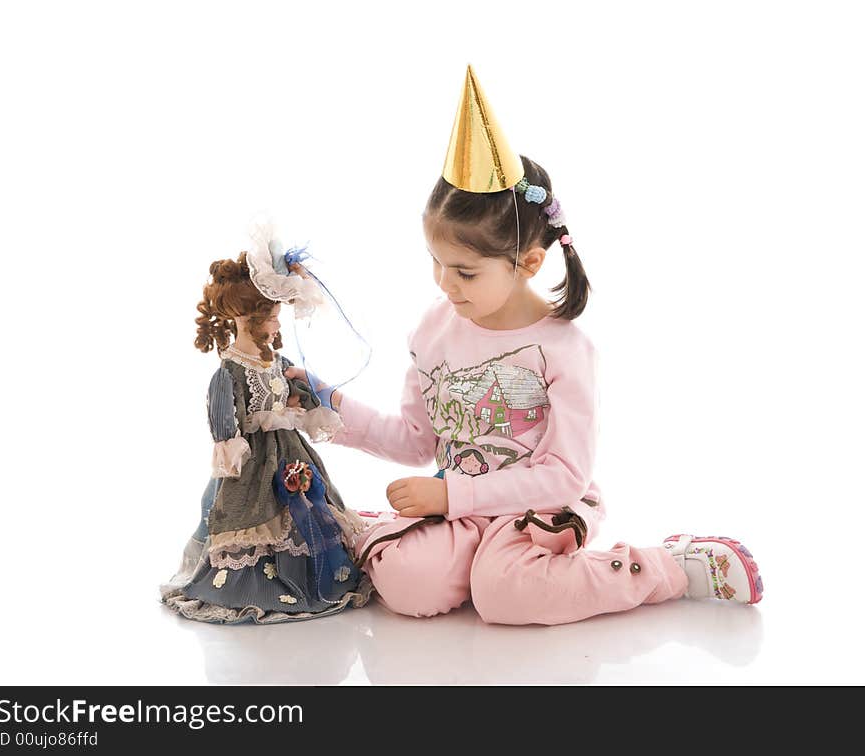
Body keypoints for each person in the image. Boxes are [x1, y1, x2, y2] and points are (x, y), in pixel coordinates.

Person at [287, 66, 763, 625]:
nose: (444, 284)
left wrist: (449, 500)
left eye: (464, 272)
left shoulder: (563, 350)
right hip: (464, 502)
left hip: (542, 503)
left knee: (503, 594)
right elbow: (418, 440)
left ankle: (668, 567)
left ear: (528, 263)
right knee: (407, 587)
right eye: (435, 263)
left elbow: (566, 474)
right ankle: (451, 558)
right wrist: (327, 406)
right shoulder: (434, 330)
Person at [160, 221, 372, 624]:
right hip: (256, 459)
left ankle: (318, 574)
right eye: (270, 316)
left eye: (276, 315)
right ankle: (251, 580)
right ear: (242, 317)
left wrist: (301, 402)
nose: (276, 324)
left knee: (310, 504)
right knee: (241, 511)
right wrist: (237, 450)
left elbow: (298, 396)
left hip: (291, 450)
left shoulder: (278, 363)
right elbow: (226, 421)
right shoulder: (230, 371)